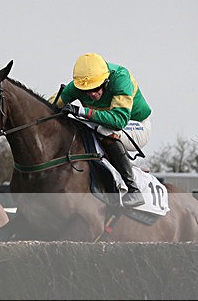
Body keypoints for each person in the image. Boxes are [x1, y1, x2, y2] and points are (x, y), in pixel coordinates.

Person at [52, 53, 151, 207]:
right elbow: (49, 107)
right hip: (105, 124)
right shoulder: (77, 86)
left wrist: (81, 111)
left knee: (105, 131)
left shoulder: (121, 79)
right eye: (86, 91)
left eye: (96, 88)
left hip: (134, 125)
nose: (92, 94)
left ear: (105, 81)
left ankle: (133, 189)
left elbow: (118, 121)